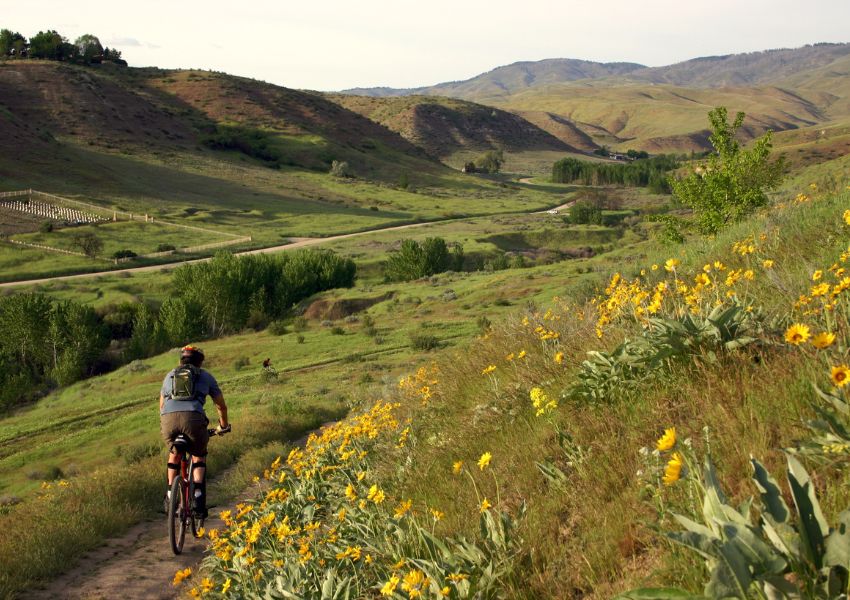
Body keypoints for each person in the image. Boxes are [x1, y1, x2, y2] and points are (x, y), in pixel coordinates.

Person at [159, 345, 229, 519]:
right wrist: (223, 425)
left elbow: (161, 406)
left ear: (181, 360)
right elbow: (220, 404)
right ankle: (198, 498)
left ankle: (169, 494)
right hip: (193, 420)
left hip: (168, 420)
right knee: (198, 454)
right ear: (200, 362)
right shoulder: (205, 376)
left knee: (174, 453)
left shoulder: (170, 376)